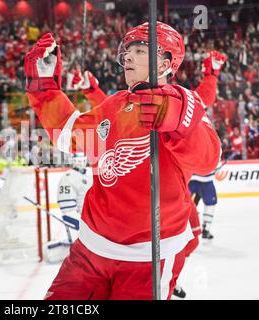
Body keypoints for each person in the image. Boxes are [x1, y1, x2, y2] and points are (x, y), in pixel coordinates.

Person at [24, 22, 221, 299]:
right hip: (90, 251)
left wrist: (179, 125)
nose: (128, 56)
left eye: (140, 50)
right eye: (128, 51)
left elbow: (207, 160)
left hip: (150, 258)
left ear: (166, 63)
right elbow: (68, 134)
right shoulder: (115, 104)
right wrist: (45, 89)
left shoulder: (184, 104)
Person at [189, 50, 227, 241]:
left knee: (209, 202)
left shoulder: (205, 127)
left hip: (201, 178)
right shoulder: (196, 118)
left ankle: (203, 228)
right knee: (184, 205)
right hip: (194, 176)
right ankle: (189, 229)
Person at [57, 152, 93, 240]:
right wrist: (84, 224)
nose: (81, 163)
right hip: (84, 219)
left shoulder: (90, 173)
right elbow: (68, 209)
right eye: (78, 160)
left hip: (95, 217)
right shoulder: (67, 177)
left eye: (82, 160)